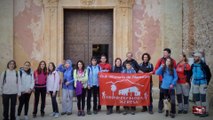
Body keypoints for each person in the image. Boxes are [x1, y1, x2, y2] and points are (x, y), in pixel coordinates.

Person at [154, 48, 177, 113]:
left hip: (171, 84)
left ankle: (170, 109)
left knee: (171, 98)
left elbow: (175, 73)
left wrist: (173, 83)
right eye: (163, 52)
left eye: (165, 53)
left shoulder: (173, 61)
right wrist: (161, 67)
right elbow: (156, 70)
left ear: (169, 53)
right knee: (162, 97)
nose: (164, 54)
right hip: (162, 82)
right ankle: (160, 108)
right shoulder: (160, 60)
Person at [190, 52, 211, 117]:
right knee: (197, 97)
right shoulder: (193, 65)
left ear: (199, 57)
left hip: (202, 83)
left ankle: (205, 112)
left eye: (196, 57)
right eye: (194, 57)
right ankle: (199, 111)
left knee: (203, 98)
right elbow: (191, 74)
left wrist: (206, 83)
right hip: (195, 83)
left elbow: (209, 75)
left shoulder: (204, 65)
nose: (194, 58)